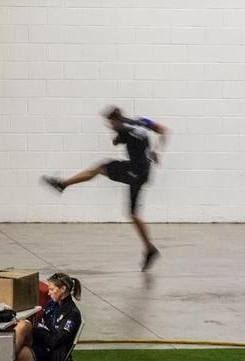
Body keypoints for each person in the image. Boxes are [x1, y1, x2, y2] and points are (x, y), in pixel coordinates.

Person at [43, 106, 169, 271]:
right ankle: (150, 249)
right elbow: (163, 130)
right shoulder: (142, 121)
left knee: (101, 168)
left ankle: (62, 185)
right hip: (144, 171)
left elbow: (116, 141)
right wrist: (156, 151)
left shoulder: (122, 129)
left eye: (109, 122)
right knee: (132, 213)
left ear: (114, 119)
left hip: (135, 171)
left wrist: (117, 132)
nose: (109, 125)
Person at [13, 272, 82, 361]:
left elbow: (55, 341)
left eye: (52, 289)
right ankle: (7, 355)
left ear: (63, 289)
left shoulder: (72, 314)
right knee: (24, 324)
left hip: (49, 353)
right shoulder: (52, 304)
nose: (49, 293)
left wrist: (37, 330)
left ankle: (6, 357)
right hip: (39, 343)